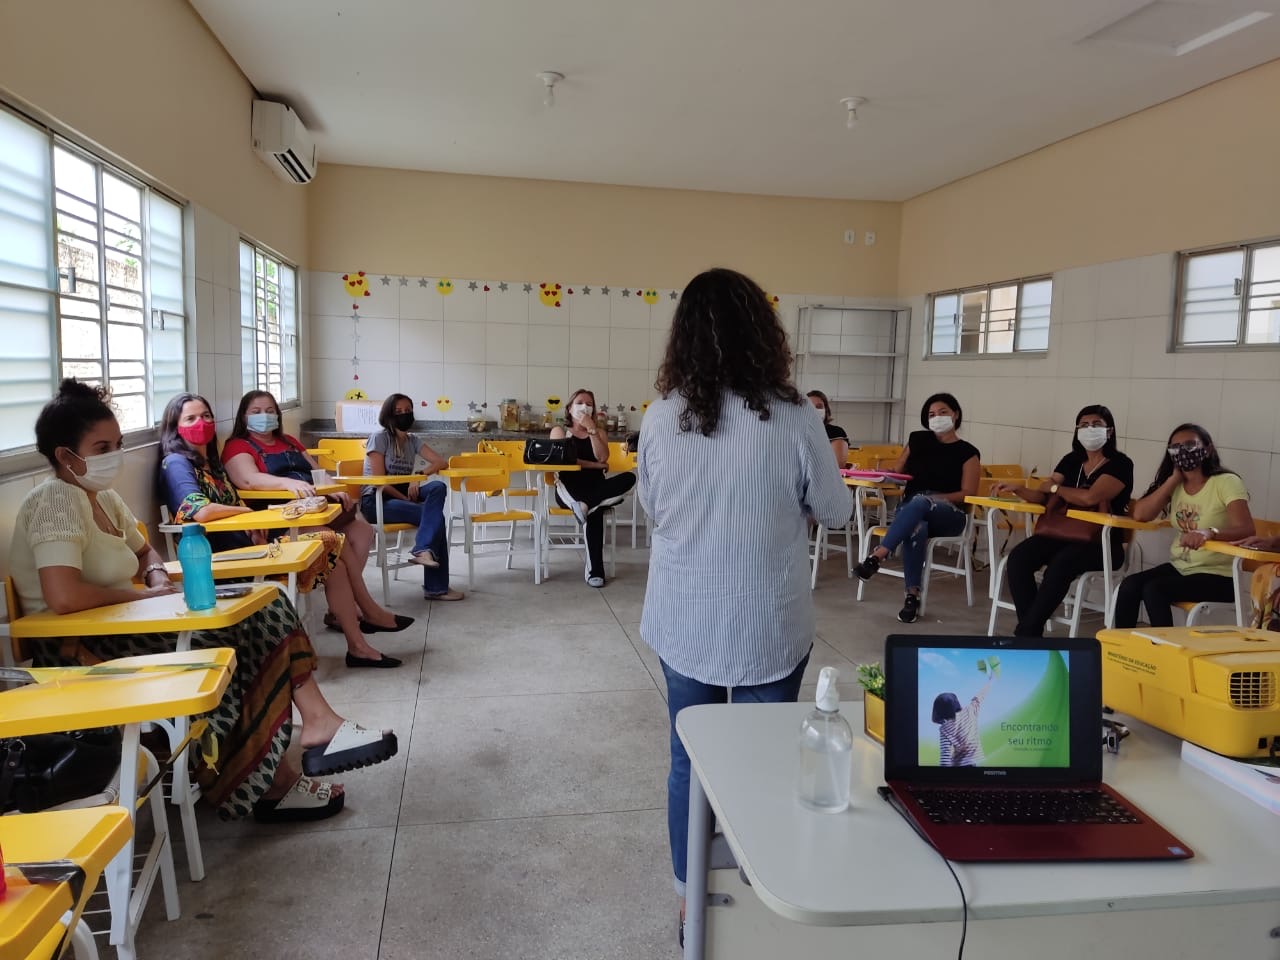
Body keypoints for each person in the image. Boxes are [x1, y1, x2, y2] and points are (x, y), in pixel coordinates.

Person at [11, 380, 398, 823]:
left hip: (124, 622)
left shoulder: (104, 498)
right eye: (102, 446)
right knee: (247, 634)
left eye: (117, 444)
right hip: (83, 645)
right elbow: (63, 596)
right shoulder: (56, 500)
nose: (114, 455)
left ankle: (309, 733)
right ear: (65, 455)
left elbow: (145, 551)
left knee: (267, 602)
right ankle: (273, 778)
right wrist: (143, 595)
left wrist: (155, 575)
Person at [638, 267, 851, 944]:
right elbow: (838, 512)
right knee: (763, 761)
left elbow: (655, 510)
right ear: (765, 332)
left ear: (685, 338)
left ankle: (687, 901)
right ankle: (765, 891)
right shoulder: (795, 417)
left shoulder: (662, 417)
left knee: (686, 760)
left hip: (686, 614)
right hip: (769, 618)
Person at [157, 393, 404, 669]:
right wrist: (249, 514)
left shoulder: (210, 463)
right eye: (191, 418)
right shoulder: (177, 463)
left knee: (335, 541)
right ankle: (365, 620)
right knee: (330, 540)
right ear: (175, 426)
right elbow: (198, 510)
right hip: (218, 556)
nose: (201, 423)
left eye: (206, 416)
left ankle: (357, 644)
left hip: (251, 541)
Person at [222, 390, 413, 667]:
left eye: (269, 410)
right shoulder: (238, 446)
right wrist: (288, 484)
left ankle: (344, 611)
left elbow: (317, 473)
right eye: (255, 411)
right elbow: (249, 480)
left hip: (315, 514)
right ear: (243, 417)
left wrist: (332, 491)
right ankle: (364, 616)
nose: (264, 416)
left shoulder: (288, 441)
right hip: (278, 526)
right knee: (337, 545)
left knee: (362, 531)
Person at [991, 405, 1134, 638]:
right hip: (1062, 534)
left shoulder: (1120, 464)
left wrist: (1057, 488)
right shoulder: (1071, 460)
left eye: (1096, 425)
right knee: (1018, 559)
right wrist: (1020, 489)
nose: (1090, 429)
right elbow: (1043, 494)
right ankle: (1031, 632)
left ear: (1109, 431)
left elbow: (1091, 496)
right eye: (1084, 425)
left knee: (1062, 564)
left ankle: (1025, 634)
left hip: (1102, 544)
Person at [854, 392, 981, 623]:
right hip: (913, 508)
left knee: (921, 502)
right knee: (917, 527)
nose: (937, 417)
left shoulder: (968, 452)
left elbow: (968, 493)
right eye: (931, 414)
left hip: (949, 512)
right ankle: (912, 597)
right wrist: (879, 474)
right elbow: (897, 471)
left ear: (956, 414)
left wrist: (935, 499)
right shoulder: (917, 440)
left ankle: (878, 555)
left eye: (943, 412)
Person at [1114, 424, 1255, 628]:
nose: (1182, 451)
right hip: (1181, 568)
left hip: (1219, 575)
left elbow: (1246, 529)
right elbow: (1140, 514)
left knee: (1155, 589)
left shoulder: (1226, 482)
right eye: (1175, 447)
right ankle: (1122, 649)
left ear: (1207, 449)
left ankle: (1162, 652)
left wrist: (1210, 532)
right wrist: (1173, 480)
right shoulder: (1176, 484)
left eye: (1190, 445)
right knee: (1129, 586)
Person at [362, 393, 463, 602]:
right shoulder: (379, 438)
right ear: (388, 415)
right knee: (436, 519)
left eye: (408, 410)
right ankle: (436, 586)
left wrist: (418, 476)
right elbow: (380, 481)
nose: (404, 415)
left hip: (402, 493)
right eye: (398, 412)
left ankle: (422, 550)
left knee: (436, 486)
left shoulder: (412, 441)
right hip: (377, 499)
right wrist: (406, 497)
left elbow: (440, 462)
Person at [549, 387, 637, 587]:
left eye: (589, 404)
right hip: (569, 488)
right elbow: (563, 461)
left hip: (596, 486)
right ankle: (595, 571)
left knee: (629, 478)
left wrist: (591, 430)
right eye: (580, 403)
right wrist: (596, 466)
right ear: (570, 408)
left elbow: (603, 457)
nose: (584, 407)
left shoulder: (599, 433)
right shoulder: (560, 431)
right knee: (596, 510)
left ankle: (586, 505)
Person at [932, 671, 994, 767]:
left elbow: (945, 756)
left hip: (959, 766)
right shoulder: (970, 710)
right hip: (972, 763)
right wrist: (990, 681)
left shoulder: (945, 729)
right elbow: (980, 696)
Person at [806, 389, 849, 468]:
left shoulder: (836, 432)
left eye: (819, 407)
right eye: (810, 406)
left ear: (826, 410)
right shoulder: (796, 432)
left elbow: (838, 465)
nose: (815, 410)